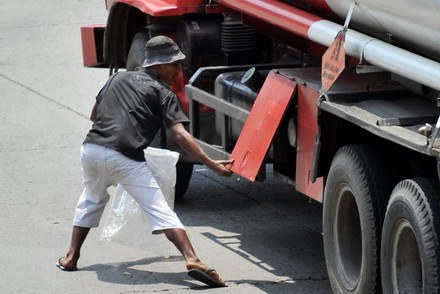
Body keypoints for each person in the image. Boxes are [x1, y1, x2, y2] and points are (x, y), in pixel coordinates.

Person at [57, 35, 233, 288]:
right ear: (158, 66)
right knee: (159, 209)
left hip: (92, 150)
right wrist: (212, 163)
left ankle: (71, 257)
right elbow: (181, 135)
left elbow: (95, 115)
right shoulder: (164, 92)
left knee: (91, 199)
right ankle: (192, 258)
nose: (178, 70)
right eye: (174, 64)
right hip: (126, 158)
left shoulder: (116, 78)